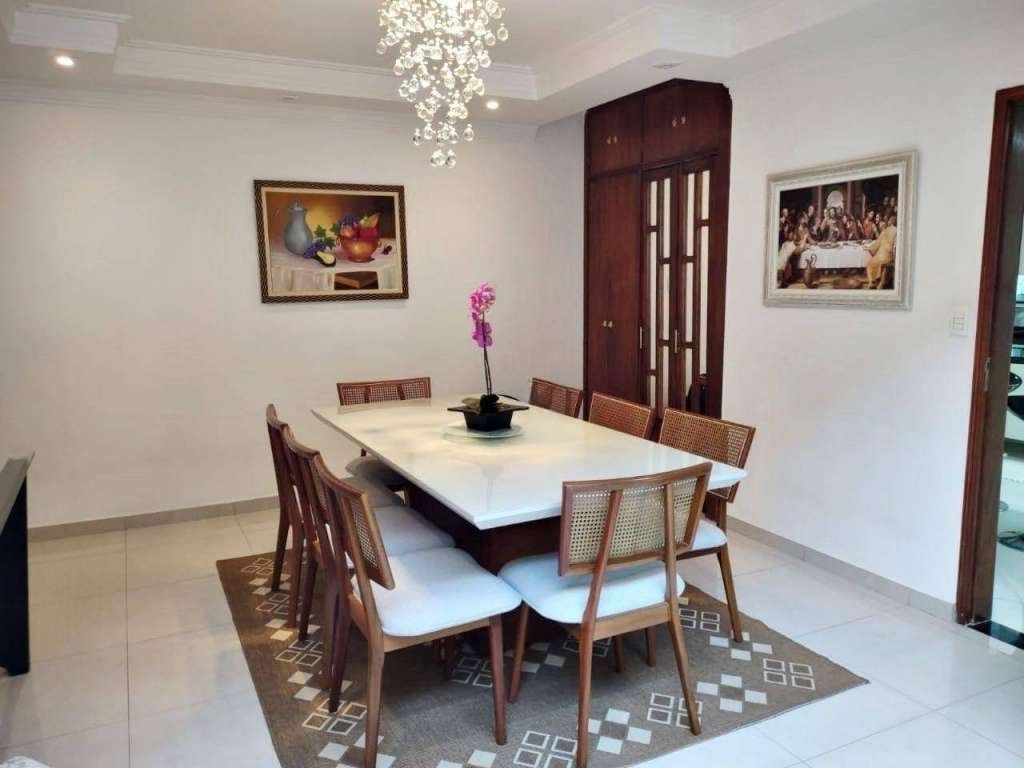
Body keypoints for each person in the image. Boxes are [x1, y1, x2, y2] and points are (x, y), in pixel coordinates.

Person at [865, 215, 897, 289]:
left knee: (870, 264)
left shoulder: (885, 231)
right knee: (881, 263)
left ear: (890, 222)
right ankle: (879, 281)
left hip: (885, 256)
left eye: (889, 221)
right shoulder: (898, 231)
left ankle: (872, 282)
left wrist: (869, 248)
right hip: (892, 256)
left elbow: (877, 244)